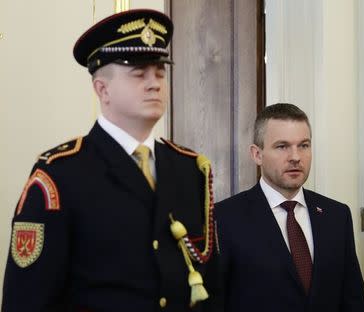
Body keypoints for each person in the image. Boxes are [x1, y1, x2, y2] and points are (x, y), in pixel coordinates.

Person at [2, 9, 222, 312]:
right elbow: (26, 300)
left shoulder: (189, 168)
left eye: (160, 72)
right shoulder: (61, 174)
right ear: (102, 89)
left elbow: (210, 287)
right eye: (139, 73)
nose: (154, 83)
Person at [215, 103, 364, 312]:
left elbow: (354, 301)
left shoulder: (336, 216)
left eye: (304, 145)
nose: (295, 156)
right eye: (282, 146)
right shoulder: (224, 219)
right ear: (257, 154)